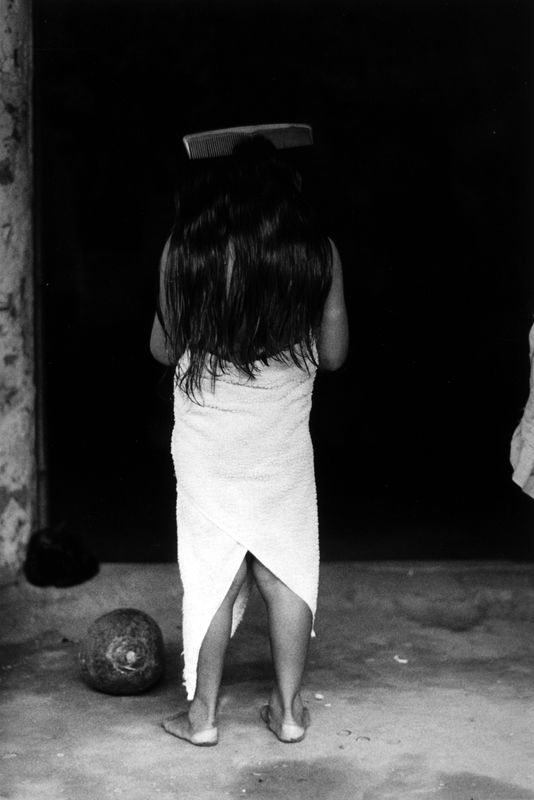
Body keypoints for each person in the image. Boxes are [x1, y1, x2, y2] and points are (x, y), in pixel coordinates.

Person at [150, 132, 349, 746]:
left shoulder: (183, 248)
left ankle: (203, 717)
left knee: (214, 565)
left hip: (210, 432)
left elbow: (163, 348)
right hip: (280, 433)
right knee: (285, 563)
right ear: (286, 190)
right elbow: (335, 355)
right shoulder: (318, 251)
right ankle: (288, 713)